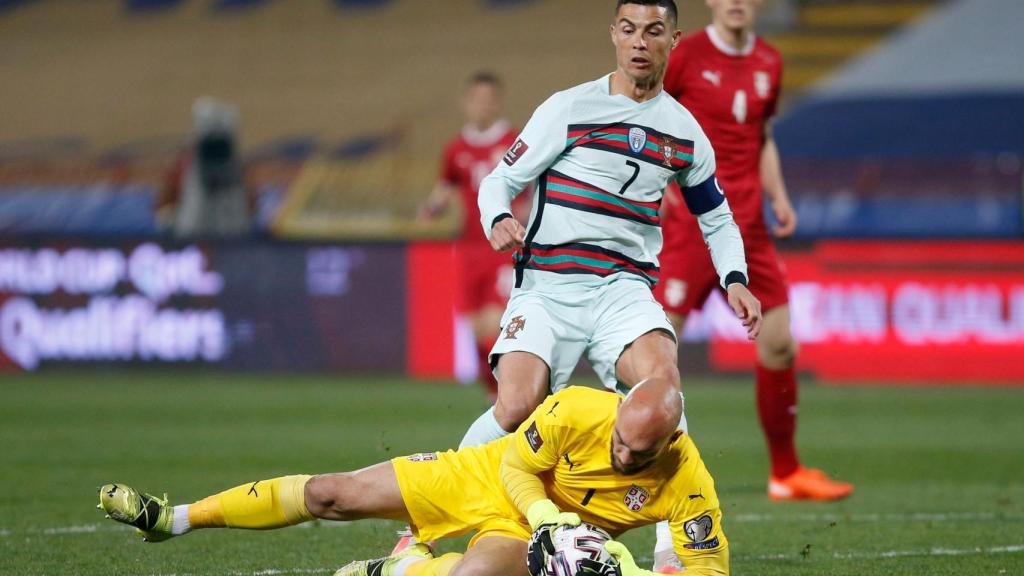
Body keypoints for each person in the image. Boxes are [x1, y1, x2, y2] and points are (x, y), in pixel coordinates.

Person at [458, 0, 759, 571]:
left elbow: (716, 217)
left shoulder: (684, 132)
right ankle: (420, 519)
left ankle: (672, 552)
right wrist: (497, 217)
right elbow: (501, 179)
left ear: (674, 39)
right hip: (549, 285)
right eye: (628, 30)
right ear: (613, 36)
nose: (639, 42)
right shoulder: (569, 108)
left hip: (622, 289)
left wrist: (735, 277)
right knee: (518, 403)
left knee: (663, 383)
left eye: (653, 31)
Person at [97, 382, 729, 576]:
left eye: (636, 454)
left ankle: (398, 569)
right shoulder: (579, 408)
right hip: (488, 481)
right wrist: (548, 519)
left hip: (538, 543)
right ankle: (172, 519)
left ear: (670, 443)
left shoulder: (691, 483)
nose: (621, 455)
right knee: (329, 493)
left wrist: (628, 572)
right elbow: (514, 464)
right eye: (619, 439)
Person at [653, 0, 853, 509]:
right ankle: (625, 462)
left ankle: (785, 473)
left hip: (751, 228)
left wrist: (779, 195)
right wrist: (661, 184)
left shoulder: (769, 61)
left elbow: (761, 136)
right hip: (691, 227)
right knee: (653, 352)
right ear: (711, 3)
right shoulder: (686, 55)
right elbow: (647, 116)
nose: (737, 2)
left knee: (780, 344)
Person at [419, 72, 527, 399]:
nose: (483, 106)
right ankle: (496, 401)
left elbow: (532, 186)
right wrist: (430, 210)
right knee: (478, 333)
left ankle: (514, 398)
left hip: (504, 249)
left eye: (489, 100)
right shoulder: (456, 149)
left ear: (497, 103)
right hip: (469, 250)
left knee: (495, 327)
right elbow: (447, 185)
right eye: (477, 99)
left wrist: (525, 214)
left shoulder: (513, 141)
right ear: (466, 103)